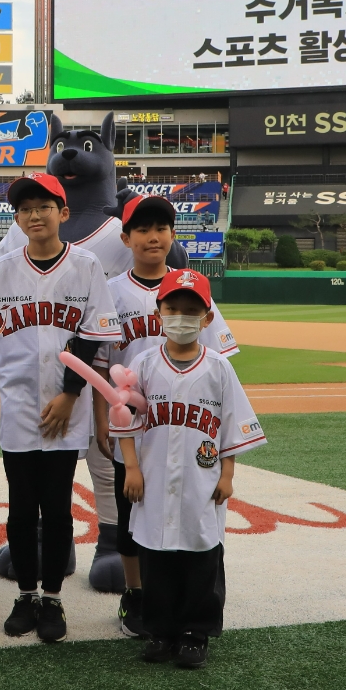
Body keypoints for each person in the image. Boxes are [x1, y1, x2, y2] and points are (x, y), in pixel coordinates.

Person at [0, 173, 120, 644]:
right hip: (19, 407)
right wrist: (23, 385)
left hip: (69, 405)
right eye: (25, 208)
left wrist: (70, 394)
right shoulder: (4, 268)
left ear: (63, 212)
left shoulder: (85, 265)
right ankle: (25, 594)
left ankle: (53, 598)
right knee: (20, 510)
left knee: (57, 509)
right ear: (16, 218)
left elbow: (92, 334)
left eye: (44, 206)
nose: (34, 215)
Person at [96, 195, 239, 638]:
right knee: (132, 515)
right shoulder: (112, 291)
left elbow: (222, 365)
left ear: (173, 235)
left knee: (196, 512)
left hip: (188, 424)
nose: (152, 236)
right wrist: (106, 416)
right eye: (142, 228)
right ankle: (138, 597)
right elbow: (102, 362)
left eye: (161, 227)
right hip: (137, 429)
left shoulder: (191, 288)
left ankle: (197, 605)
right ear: (127, 238)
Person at [117, 271, 265, 669]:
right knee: (157, 560)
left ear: (207, 318)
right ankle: (159, 630)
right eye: (172, 309)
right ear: (158, 312)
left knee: (201, 557)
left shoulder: (218, 368)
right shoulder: (144, 363)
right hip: (152, 478)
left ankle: (195, 633)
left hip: (202, 480)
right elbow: (125, 420)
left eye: (191, 310)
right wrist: (131, 466)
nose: (180, 317)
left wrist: (228, 474)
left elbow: (232, 424)